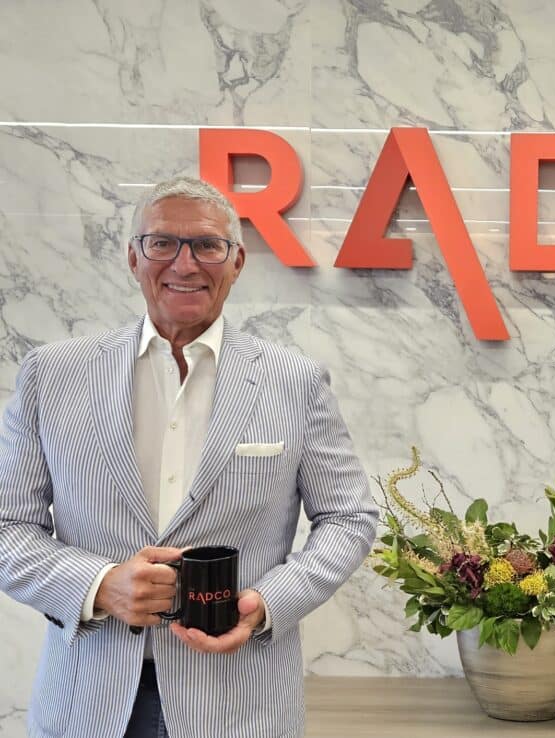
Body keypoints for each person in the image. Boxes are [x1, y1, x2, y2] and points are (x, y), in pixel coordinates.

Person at [0, 176, 378, 738]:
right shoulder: (52, 375)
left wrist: (267, 603)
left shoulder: (293, 381)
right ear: (133, 257)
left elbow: (350, 518)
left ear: (237, 261)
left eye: (206, 245)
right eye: (162, 243)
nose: (185, 263)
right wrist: (99, 583)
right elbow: (8, 526)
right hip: (86, 697)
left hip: (239, 699)